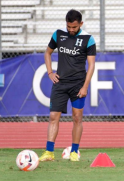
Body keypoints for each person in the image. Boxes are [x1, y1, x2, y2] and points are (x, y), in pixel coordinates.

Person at [39, 9, 96, 162]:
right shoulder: (58, 34)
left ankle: (74, 152)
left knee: (77, 118)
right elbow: (47, 53)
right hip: (60, 83)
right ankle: (49, 152)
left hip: (78, 84)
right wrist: (50, 72)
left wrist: (85, 86)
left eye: (74, 27)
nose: (71, 30)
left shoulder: (88, 39)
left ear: (81, 24)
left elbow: (91, 65)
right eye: (69, 27)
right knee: (53, 117)